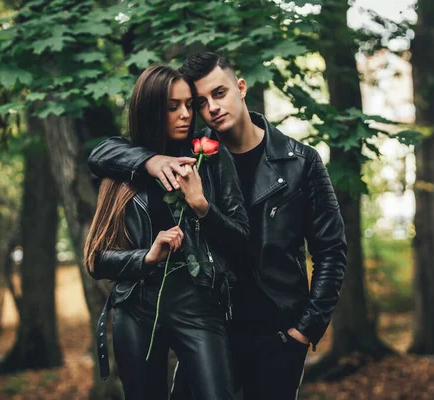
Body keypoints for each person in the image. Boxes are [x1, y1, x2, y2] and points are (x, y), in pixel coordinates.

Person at [88, 53, 348, 399]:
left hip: (277, 330)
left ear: (241, 88)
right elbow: (107, 152)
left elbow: (331, 251)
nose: (211, 107)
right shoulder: (196, 154)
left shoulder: (300, 162)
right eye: (200, 102)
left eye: (220, 93)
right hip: (212, 322)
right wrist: (151, 160)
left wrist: (307, 328)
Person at [84, 64, 249, 400]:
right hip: (137, 308)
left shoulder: (211, 158)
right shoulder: (122, 168)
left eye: (189, 105)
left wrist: (202, 206)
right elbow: (97, 260)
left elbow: (241, 240)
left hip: (200, 304)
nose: (185, 114)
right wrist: (146, 256)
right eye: (172, 107)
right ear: (150, 110)